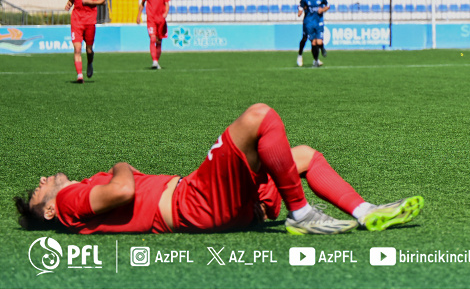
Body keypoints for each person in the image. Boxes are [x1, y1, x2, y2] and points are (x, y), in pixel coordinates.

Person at [15, 103, 423, 235]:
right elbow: (122, 191)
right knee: (259, 117)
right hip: (196, 204)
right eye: (38, 193)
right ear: (50, 210)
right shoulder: (68, 201)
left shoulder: (72, 199)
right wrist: (121, 164)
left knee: (304, 155)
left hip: (204, 200)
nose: (41, 182)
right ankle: (302, 214)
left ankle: (365, 211)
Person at [64, 0, 105, 83]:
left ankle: (90, 62)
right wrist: (68, 4)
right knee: (77, 49)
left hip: (90, 22)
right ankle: (80, 75)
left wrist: (91, 2)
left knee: (89, 49)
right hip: (76, 22)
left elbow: (102, 0)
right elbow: (72, 0)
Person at [137, 0, 171, 69]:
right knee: (152, 39)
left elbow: (167, 4)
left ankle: (156, 61)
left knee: (159, 41)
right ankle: (154, 61)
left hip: (161, 20)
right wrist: (138, 15)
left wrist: (166, 13)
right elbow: (142, 4)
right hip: (151, 19)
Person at [298, 0, 329, 68]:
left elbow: (328, 5)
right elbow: (301, 6)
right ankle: (316, 61)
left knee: (319, 42)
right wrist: (300, 11)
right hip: (309, 22)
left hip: (318, 22)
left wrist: (322, 9)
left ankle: (322, 48)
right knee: (313, 43)